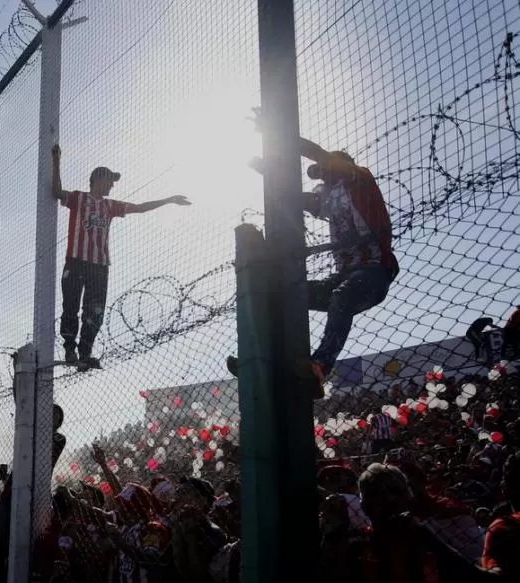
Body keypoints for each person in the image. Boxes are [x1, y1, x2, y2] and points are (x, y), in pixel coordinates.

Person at [227, 136, 398, 398]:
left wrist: (282, 133)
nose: (322, 174)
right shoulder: (328, 197)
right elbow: (294, 197)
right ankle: (261, 362)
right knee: (287, 295)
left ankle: (319, 367)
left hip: (374, 271)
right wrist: (265, 170)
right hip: (343, 275)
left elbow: (319, 154)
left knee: (342, 295)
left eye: (330, 167)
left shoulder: (360, 179)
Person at [50, 143, 191, 370]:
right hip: (76, 261)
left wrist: (168, 200)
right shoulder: (78, 198)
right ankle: (69, 346)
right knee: (71, 305)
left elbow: (141, 207)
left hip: (100, 265)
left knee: (94, 309)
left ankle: (85, 351)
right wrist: (56, 160)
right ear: (98, 179)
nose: (113, 185)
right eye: (110, 181)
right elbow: (57, 192)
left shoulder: (110, 206)